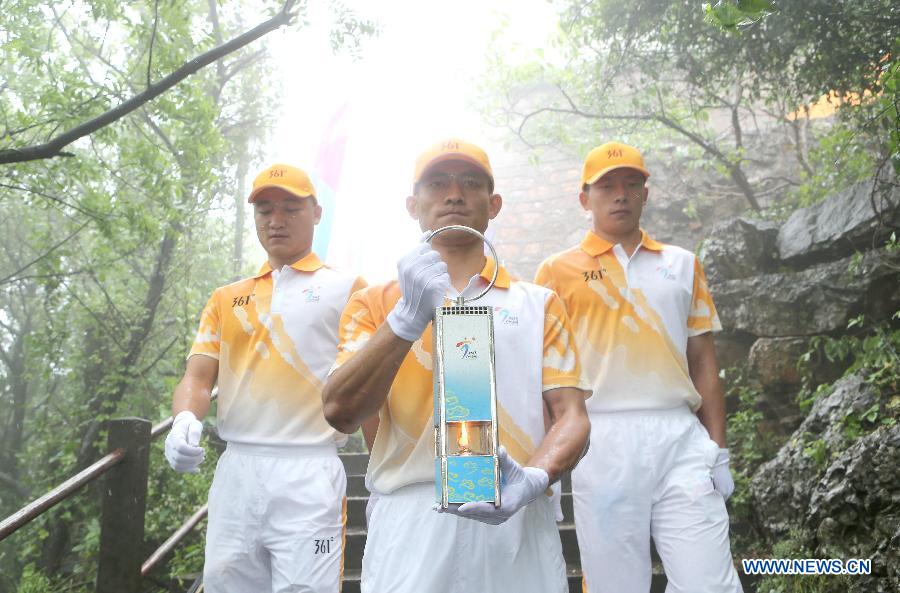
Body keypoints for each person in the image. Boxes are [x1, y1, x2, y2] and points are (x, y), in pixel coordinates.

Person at [321, 138, 591, 593]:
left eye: (470, 183)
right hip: (412, 515)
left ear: (494, 202)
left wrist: (535, 478)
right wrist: (406, 319)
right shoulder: (374, 304)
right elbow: (340, 411)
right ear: (413, 203)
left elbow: (573, 416)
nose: (453, 194)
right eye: (437, 183)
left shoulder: (538, 304)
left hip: (514, 508)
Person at [534, 141, 742, 593]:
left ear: (646, 194)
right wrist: (546, 464)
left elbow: (703, 359)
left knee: (710, 583)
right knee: (615, 584)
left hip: (680, 436)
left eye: (632, 184)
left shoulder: (682, 264)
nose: (620, 195)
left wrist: (718, 449)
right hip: (600, 438)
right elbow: (546, 374)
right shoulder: (556, 272)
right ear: (584, 198)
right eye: (606, 186)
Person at [163, 163, 366, 593]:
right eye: (265, 210)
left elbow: (366, 386)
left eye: (291, 208)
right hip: (238, 470)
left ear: (316, 212)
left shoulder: (348, 289)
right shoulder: (227, 298)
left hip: (308, 470)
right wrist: (185, 420)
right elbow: (197, 378)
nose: (276, 221)